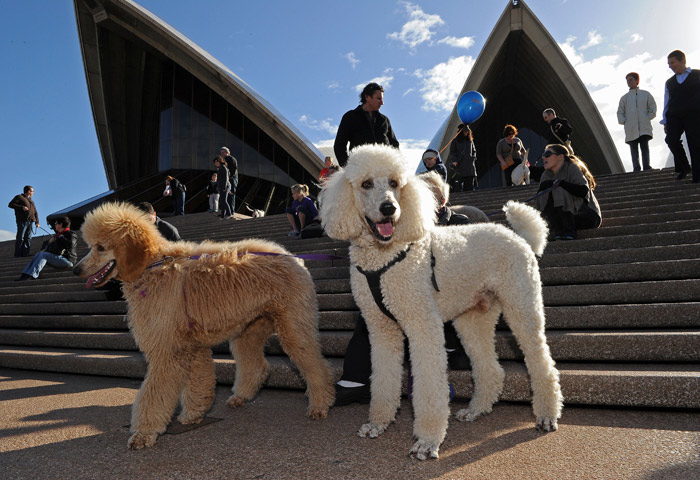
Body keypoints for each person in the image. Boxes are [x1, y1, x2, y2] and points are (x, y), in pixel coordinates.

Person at [534, 144, 601, 240]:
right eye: (543, 155)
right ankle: (558, 230)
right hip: (562, 218)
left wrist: (561, 183)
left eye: (547, 154)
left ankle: (569, 231)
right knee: (545, 193)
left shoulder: (571, 168)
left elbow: (582, 191)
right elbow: (540, 200)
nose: (544, 157)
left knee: (559, 189)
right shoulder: (546, 175)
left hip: (586, 216)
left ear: (560, 157)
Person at [333, 82, 399, 167]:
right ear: (367, 97)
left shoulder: (385, 120)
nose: (382, 103)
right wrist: (348, 168)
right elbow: (339, 145)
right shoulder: (350, 117)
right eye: (379, 98)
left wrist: (395, 165)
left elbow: (395, 145)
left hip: (384, 170)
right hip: (361, 171)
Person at [661, 49, 700, 182]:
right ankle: (684, 167)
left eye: (672, 62)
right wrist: (665, 120)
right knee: (671, 140)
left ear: (682, 60)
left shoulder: (697, 74)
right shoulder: (669, 82)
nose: (670, 66)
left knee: (695, 143)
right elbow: (667, 101)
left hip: (694, 114)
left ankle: (697, 176)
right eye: (669, 64)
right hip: (674, 115)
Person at [617, 72, 657, 171]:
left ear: (637, 81)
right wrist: (624, 121)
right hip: (631, 127)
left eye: (631, 80)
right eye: (627, 80)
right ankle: (636, 167)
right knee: (634, 149)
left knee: (644, 147)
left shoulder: (645, 94)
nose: (629, 82)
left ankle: (646, 166)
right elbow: (620, 112)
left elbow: (652, 107)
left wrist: (647, 117)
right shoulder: (624, 98)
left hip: (644, 125)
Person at [16, 216, 77, 281]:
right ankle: (25, 274)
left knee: (43, 255)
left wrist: (61, 237)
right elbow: (47, 244)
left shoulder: (71, 234)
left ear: (61, 224)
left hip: (68, 260)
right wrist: (49, 242)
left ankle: (32, 275)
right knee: (39, 254)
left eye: (56, 223)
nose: (55, 225)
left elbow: (70, 245)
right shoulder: (57, 235)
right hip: (58, 258)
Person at [8, 185, 40, 257]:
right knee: (21, 237)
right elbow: (10, 204)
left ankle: (25, 253)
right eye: (32, 191)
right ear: (28, 191)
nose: (33, 192)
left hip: (31, 221)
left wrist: (37, 222)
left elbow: (35, 212)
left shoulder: (31, 201)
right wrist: (22, 207)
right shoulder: (19, 197)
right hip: (22, 221)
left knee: (28, 238)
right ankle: (18, 254)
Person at [447, 124, 478, 192]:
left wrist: (472, 158)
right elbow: (452, 152)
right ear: (460, 132)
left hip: (470, 167)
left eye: (467, 131)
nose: (466, 133)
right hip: (460, 166)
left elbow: (474, 151)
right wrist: (454, 160)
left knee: (470, 187)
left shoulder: (470, 141)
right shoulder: (455, 141)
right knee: (459, 188)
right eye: (464, 131)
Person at [221, 147, 239, 213]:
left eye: (223, 152)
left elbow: (234, 169)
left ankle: (231, 211)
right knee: (226, 195)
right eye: (221, 153)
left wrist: (229, 177)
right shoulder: (223, 160)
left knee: (231, 195)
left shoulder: (231, 159)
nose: (221, 154)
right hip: (228, 179)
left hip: (232, 179)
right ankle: (227, 211)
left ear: (227, 152)